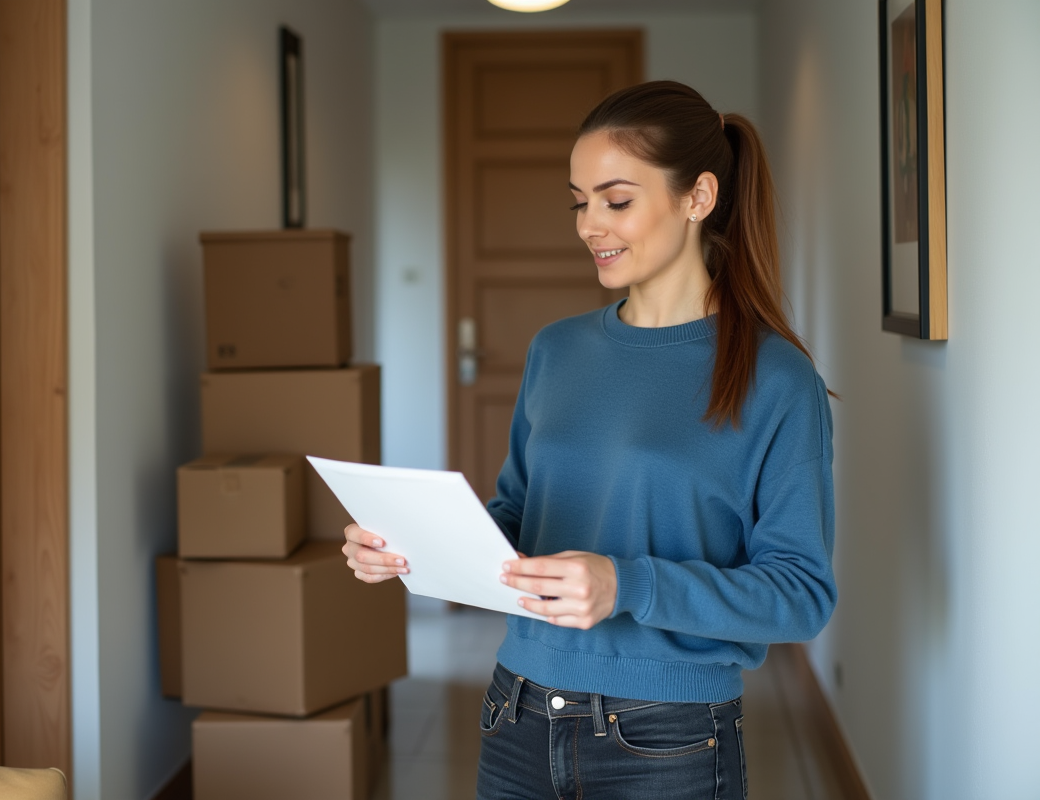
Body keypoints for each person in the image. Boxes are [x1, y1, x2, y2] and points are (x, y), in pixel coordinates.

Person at [342, 80, 837, 800]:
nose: (588, 225)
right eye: (579, 201)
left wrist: (626, 583)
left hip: (667, 737)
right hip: (516, 710)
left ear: (697, 197)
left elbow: (800, 596)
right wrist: (413, 543)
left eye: (617, 200)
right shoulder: (557, 350)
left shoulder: (778, 380)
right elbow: (517, 514)